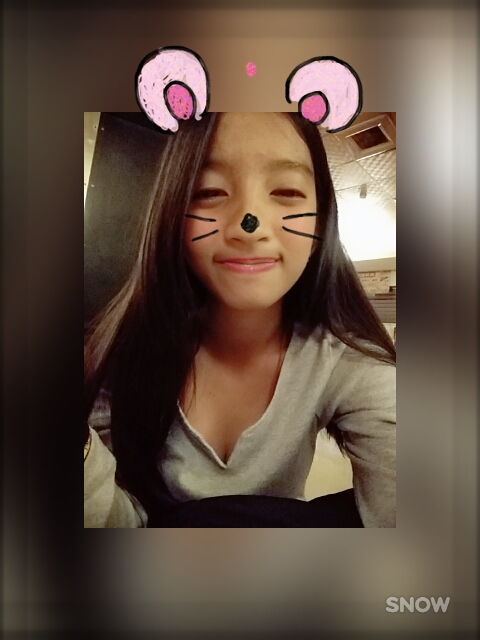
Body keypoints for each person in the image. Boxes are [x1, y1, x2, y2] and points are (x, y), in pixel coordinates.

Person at [84, 112, 396, 528]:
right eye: (210, 192)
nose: (249, 226)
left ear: (322, 221)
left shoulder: (347, 364)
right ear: (173, 215)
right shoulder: (121, 356)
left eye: (286, 191)